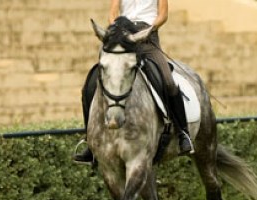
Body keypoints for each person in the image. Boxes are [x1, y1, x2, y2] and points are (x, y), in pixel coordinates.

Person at [73, 0, 194, 164]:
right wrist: (118, 32)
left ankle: (182, 133)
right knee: (90, 83)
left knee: (168, 82)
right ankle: (90, 142)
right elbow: (113, 13)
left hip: (147, 38)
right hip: (123, 39)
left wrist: (146, 30)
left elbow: (163, 16)